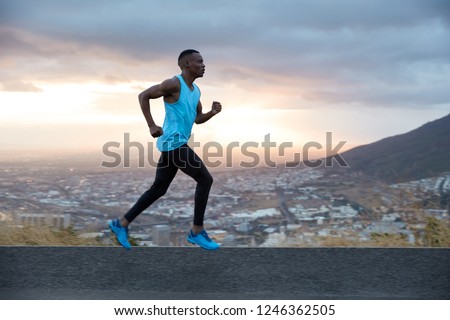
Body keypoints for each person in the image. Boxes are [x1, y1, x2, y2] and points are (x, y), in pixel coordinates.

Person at [109, 49, 222, 250]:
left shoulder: (196, 91)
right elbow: (143, 96)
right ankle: (196, 231)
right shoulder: (173, 84)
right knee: (205, 179)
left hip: (171, 145)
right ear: (187, 64)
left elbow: (197, 118)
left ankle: (121, 224)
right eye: (200, 61)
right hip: (175, 143)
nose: (204, 65)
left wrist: (212, 113)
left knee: (159, 189)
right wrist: (151, 125)